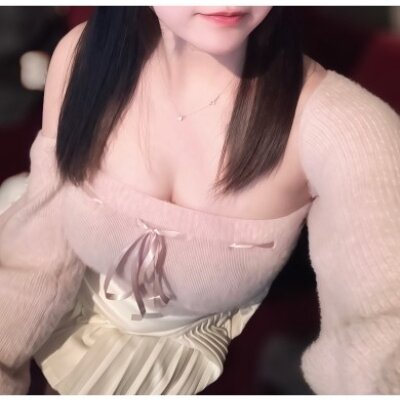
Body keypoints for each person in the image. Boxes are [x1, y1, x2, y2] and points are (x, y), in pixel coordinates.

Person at [0, 6, 399, 395]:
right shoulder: (84, 57)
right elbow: (37, 251)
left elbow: (381, 319)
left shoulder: (347, 127)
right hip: (61, 349)